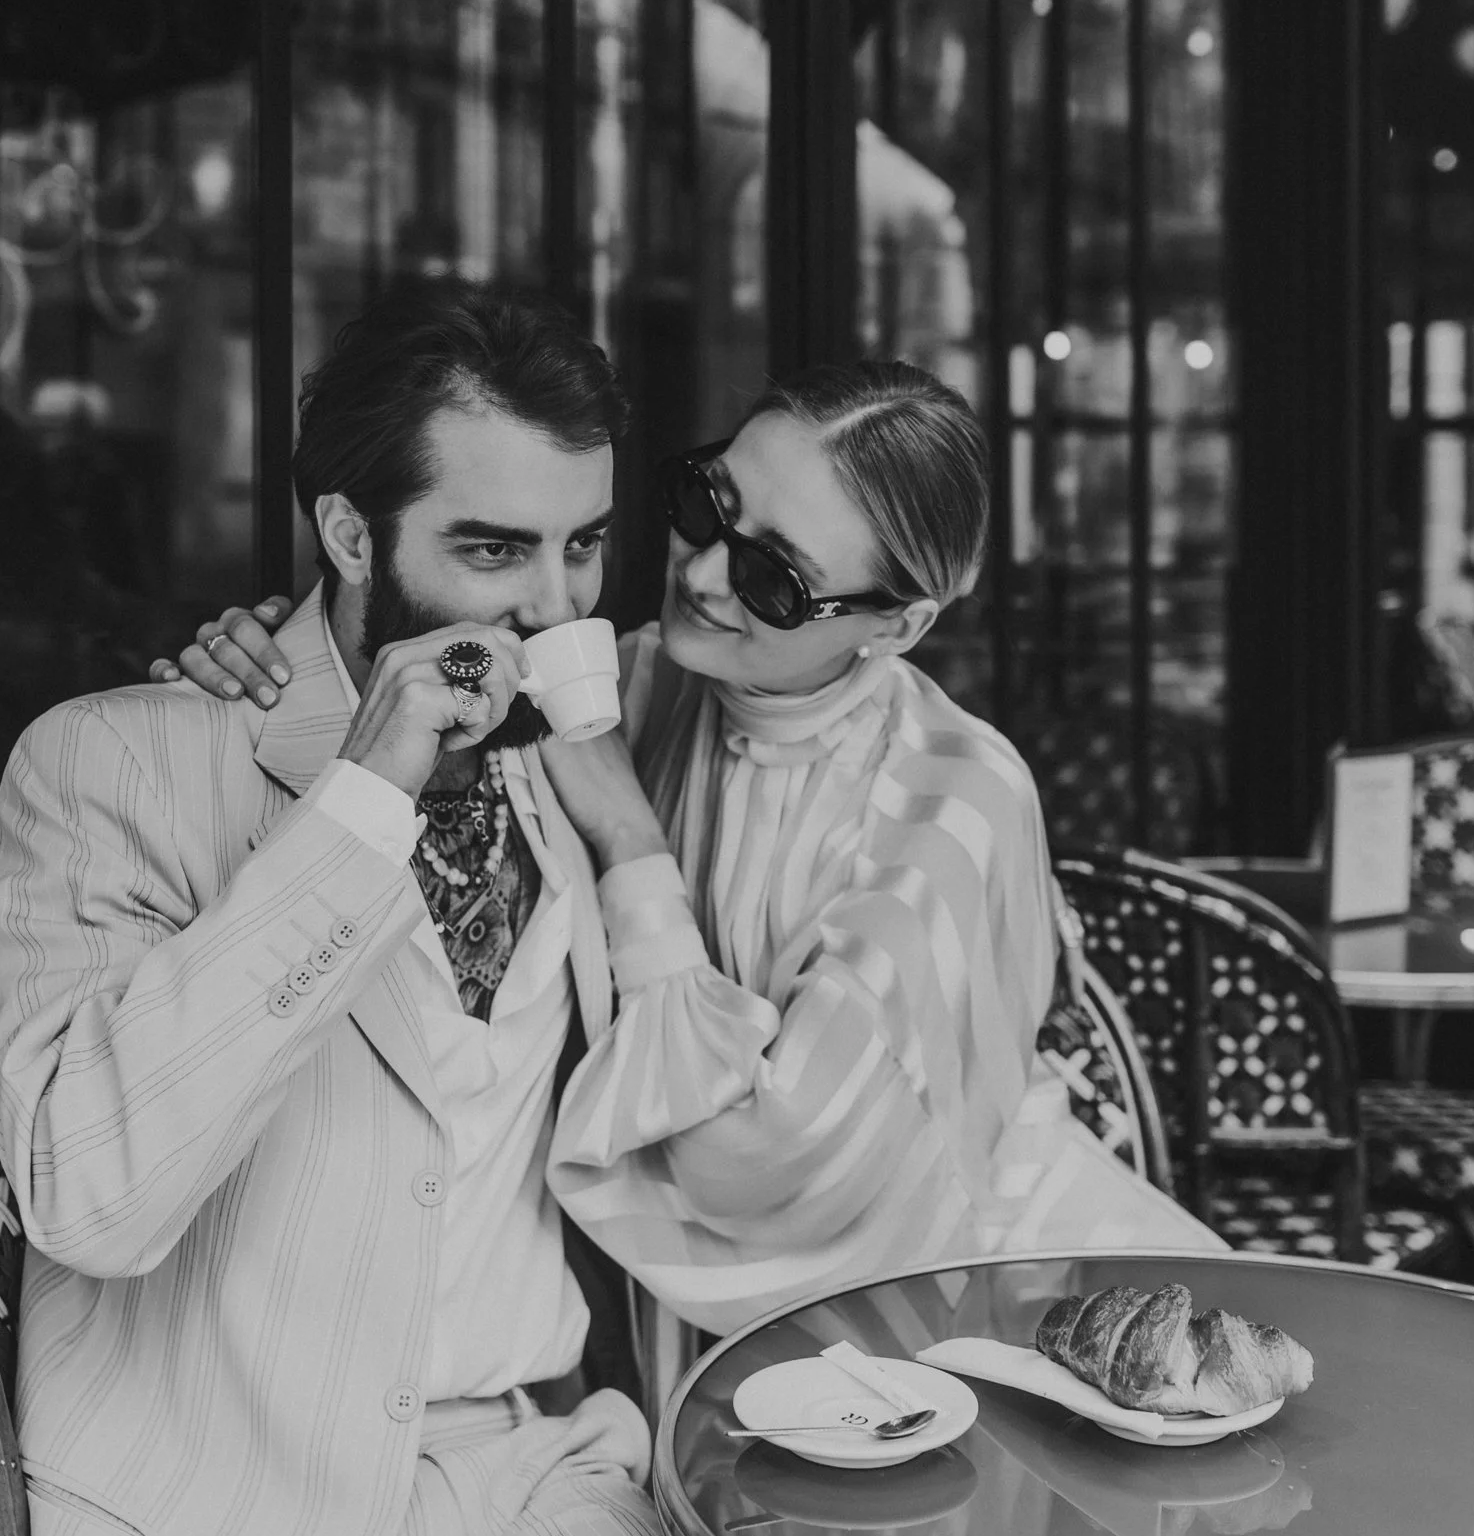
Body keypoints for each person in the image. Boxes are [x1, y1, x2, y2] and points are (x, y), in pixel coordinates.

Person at [0, 280, 726, 1536]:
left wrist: (628, 835)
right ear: (348, 533)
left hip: (527, 1464)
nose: (555, 607)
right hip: (236, 1513)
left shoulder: (565, 740)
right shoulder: (113, 760)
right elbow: (90, 1190)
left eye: (584, 545)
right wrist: (363, 797)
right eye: (492, 550)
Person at [162, 357, 1221, 1337]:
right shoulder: (625, 681)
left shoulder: (956, 802)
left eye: (775, 579)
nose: (704, 574)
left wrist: (632, 842)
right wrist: (279, 660)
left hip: (945, 1316)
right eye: (706, 503)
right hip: (636, 1331)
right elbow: (394, 711)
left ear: (897, 626)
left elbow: (778, 1169)